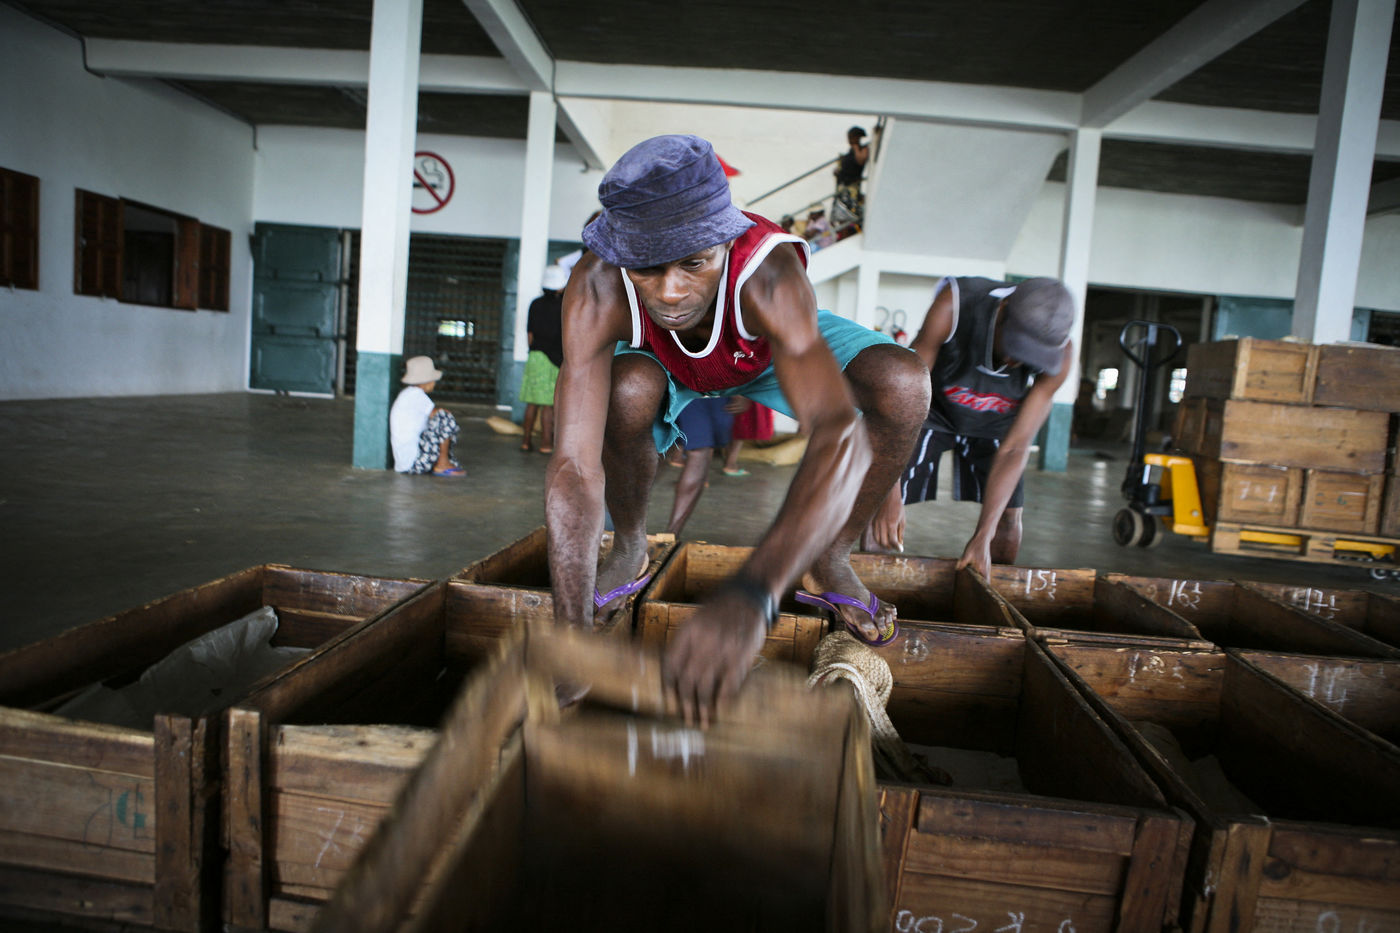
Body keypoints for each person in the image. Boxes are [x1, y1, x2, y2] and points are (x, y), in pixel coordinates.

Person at [546, 134, 929, 725]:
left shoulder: (767, 273)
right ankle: (629, 544)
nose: (671, 292)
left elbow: (838, 436)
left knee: (904, 384)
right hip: (665, 361)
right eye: (647, 268)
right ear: (620, 255)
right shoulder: (597, 286)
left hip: (764, 354)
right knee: (626, 392)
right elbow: (573, 464)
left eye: (693, 263)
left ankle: (831, 557)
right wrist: (569, 631)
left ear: (726, 238)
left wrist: (755, 594)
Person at [867, 276, 1075, 576]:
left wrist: (983, 535)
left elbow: (1016, 448)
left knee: (1007, 518)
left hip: (998, 421)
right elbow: (902, 401)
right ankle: (871, 593)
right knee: (879, 504)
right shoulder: (954, 305)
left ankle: (990, 586)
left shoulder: (1060, 356)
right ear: (1002, 311)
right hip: (929, 409)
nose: (1015, 362)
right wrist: (890, 491)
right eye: (1016, 347)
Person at [665, 396, 734, 536]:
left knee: (702, 449)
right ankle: (670, 534)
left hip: (719, 395)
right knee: (699, 451)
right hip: (690, 391)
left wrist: (743, 394)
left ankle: (669, 536)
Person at [519, 264, 568, 453]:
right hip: (553, 359)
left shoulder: (535, 304)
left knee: (532, 403)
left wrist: (534, 350)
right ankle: (546, 444)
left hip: (535, 356)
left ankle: (525, 441)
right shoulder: (564, 305)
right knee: (548, 405)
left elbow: (530, 334)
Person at [389, 356, 464, 477]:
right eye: (433, 380)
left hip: (405, 464)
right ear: (426, 382)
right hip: (415, 463)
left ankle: (443, 461)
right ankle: (442, 463)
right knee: (445, 418)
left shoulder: (408, 393)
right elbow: (438, 415)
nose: (435, 383)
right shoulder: (417, 395)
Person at [721, 397, 773, 476]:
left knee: (735, 425)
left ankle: (729, 463)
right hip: (743, 395)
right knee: (739, 427)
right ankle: (730, 464)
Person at [834, 126, 870, 219]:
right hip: (843, 184)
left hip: (852, 187)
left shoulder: (863, 148)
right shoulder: (850, 151)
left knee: (850, 211)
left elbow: (860, 161)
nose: (849, 140)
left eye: (851, 137)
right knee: (841, 210)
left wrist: (856, 147)